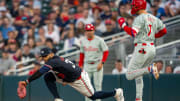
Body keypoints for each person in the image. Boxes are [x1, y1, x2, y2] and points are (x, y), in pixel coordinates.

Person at [18, 47, 124, 101]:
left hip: (79, 78)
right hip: (68, 77)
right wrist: (65, 79)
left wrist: (26, 82)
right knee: (48, 77)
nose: (44, 59)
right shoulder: (53, 60)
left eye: (45, 56)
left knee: (93, 96)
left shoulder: (54, 61)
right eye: (42, 57)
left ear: (50, 54)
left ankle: (116, 92)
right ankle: (57, 98)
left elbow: (39, 72)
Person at [117, 0, 167, 100]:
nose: (132, 7)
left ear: (138, 6)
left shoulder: (139, 18)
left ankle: (151, 69)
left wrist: (123, 25)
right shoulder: (154, 17)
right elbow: (164, 31)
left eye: (134, 5)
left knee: (129, 75)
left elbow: (133, 33)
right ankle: (139, 98)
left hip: (142, 48)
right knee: (138, 73)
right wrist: (153, 36)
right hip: (152, 48)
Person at [79, 24, 109, 101]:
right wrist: (80, 65)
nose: (89, 32)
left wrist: (102, 63)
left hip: (97, 64)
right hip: (87, 65)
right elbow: (82, 54)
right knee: (86, 87)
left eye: (90, 30)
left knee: (98, 86)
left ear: (94, 31)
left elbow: (106, 51)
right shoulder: (83, 41)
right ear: (85, 32)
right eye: (87, 30)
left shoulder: (99, 40)